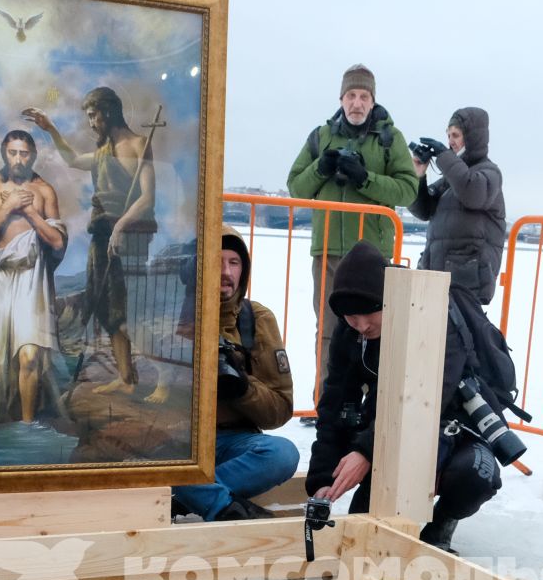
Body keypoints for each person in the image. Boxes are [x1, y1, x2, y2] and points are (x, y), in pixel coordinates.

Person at [305, 241, 504, 552]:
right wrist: (320, 478)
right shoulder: (351, 333)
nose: (361, 325)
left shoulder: (437, 319)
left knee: (475, 477)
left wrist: (366, 452)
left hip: (454, 423)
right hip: (388, 428)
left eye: (369, 313)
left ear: (388, 301)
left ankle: (441, 524)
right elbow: (334, 404)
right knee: (367, 532)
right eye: (350, 316)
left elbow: (431, 398)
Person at [285, 64, 417, 373]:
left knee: (374, 330)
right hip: (328, 252)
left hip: (372, 256)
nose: (356, 103)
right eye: (351, 95)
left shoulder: (389, 139)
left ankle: (370, 403)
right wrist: (322, 167)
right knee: (329, 330)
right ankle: (325, 405)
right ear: (341, 98)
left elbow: (408, 190)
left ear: (372, 101)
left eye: (363, 96)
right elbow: (295, 188)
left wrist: (364, 178)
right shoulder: (320, 137)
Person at [24, 87, 156, 395]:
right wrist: (50, 128)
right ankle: (125, 377)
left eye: (93, 116)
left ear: (108, 112)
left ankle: (128, 377)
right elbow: (71, 159)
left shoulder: (139, 144)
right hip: (102, 236)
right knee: (105, 307)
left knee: (123, 307)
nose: (91, 123)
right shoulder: (100, 153)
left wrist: (122, 225)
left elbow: (147, 198)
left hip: (130, 237)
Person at [171, 230, 299, 521]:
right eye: (216, 262)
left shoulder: (257, 320)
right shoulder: (168, 315)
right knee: (153, 454)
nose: (226, 272)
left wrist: (242, 387)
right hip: (176, 440)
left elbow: (279, 409)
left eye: (234, 262)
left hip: (232, 442)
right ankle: (220, 504)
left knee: (283, 454)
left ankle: (190, 496)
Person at [0, 129, 67, 433]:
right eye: (12, 153)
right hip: (0, 279)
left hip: (33, 279)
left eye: (25, 153)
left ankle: (27, 426)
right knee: (4, 361)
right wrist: (6, 207)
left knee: (30, 356)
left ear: (34, 155)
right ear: (4, 153)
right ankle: (11, 416)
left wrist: (29, 210)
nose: (18, 159)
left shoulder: (44, 191)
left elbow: (57, 241)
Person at [408, 108, 505, 308]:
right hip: (438, 276)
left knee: (459, 337)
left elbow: (472, 192)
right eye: (448, 135)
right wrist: (419, 175)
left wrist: (444, 157)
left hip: (468, 281)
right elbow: (423, 210)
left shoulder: (489, 173)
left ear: (473, 137)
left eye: (456, 135)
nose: (450, 141)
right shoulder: (451, 178)